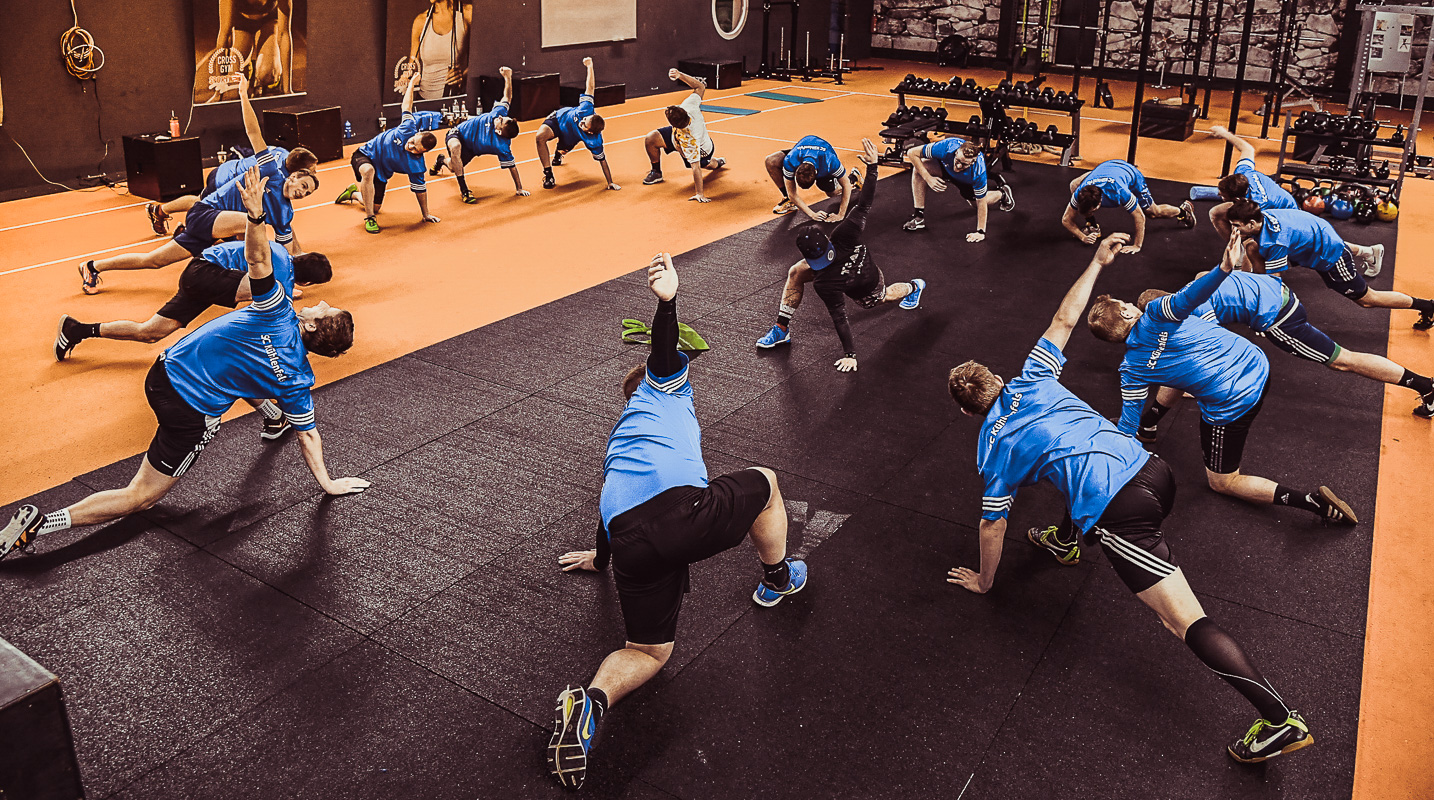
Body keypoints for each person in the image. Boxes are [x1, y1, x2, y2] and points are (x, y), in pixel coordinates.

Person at [947, 232, 1315, 765]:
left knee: (1182, 620)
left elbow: (991, 526)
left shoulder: (992, 450)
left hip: (1122, 509)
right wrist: (1096, 261)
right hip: (1154, 472)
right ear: (998, 378)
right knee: (1070, 474)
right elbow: (1063, 320)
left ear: (966, 413)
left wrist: (985, 581)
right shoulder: (1031, 377)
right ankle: (1066, 541)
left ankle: (1280, 720)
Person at [2, 168, 366, 563]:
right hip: (189, 413)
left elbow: (259, 257)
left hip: (161, 374)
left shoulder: (276, 307)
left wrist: (257, 217)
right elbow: (308, 437)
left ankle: (264, 410)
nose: (321, 302)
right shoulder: (298, 380)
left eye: (326, 307)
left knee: (231, 361)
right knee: (139, 498)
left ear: (312, 323)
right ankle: (43, 524)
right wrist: (327, 483)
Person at [548, 253, 806, 790]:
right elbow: (663, 354)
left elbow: (607, 511)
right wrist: (667, 302)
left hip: (630, 539)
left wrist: (601, 556)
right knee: (767, 481)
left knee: (650, 651)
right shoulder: (662, 389)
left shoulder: (622, 441)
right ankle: (779, 578)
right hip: (681, 514)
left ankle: (591, 703)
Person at [1086, 232, 1358, 524]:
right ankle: (1151, 425)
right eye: (1123, 302)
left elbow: (1127, 423)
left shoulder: (1131, 370)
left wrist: (1110, 473)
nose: (1128, 302)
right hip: (1257, 365)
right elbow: (1192, 295)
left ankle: (1312, 502)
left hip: (1235, 401)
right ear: (1127, 313)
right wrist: (1224, 269)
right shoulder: (1156, 312)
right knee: (1178, 371)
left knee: (1223, 482)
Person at [80, 75, 316, 294]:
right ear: (293, 176)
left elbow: (285, 255)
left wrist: (293, 275)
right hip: (207, 212)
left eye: (307, 193)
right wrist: (243, 94)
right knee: (255, 226)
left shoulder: (285, 214)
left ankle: (93, 266)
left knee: (153, 260)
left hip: (214, 226)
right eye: (304, 185)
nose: (303, 193)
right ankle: (247, 275)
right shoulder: (271, 172)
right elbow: (253, 132)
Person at [1137, 268, 1434, 419]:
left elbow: (1206, 354)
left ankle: (1425, 385)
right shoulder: (1198, 281)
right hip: (1280, 291)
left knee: (1344, 360)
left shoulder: (1191, 313)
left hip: (1278, 317)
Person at [754, 139, 926, 373]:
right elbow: (864, 204)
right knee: (795, 272)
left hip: (865, 280)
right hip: (838, 273)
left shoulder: (837, 254)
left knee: (883, 298)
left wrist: (851, 355)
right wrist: (873, 166)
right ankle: (781, 329)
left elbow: (840, 317)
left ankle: (913, 287)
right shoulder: (838, 245)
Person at [1204, 127, 1387, 279]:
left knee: (1317, 245)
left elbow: (1255, 238)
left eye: (1223, 195)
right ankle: (1236, 253)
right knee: (1216, 213)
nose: (1219, 196)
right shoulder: (1243, 175)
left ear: (1237, 199)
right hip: (1269, 204)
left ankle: (1368, 252)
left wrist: (1240, 275)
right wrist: (1225, 133)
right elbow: (1248, 149)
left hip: (1286, 212)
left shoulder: (1258, 205)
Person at [1226, 201, 1431, 328]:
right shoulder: (1265, 215)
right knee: (1253, 248)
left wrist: (1267, 313)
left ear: (1252, 224)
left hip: (1330, 255)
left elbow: (1275, 283)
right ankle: (1368, 251)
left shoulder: (1275, 241)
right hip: (1314, 238)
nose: (1234, 230)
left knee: (1367, 299)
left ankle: (1427, 305)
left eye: (1237, 226)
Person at [334, 73, 440, 233]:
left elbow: (420, 189)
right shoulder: (408, 127)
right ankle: (370, 219)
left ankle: (354, 194)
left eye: (414, 149)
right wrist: (411, 84)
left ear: (422, 152)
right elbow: (407, 105)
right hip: (365, 155)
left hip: (382, 173)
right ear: (416, 133)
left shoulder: (416, 166)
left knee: (374, 206)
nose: (409, 146)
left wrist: (426, 214)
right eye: (412, 142)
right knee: (368, 171)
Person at [145, 146, 318, 236]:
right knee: (207, 208)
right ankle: (179, 225)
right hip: (226, 181)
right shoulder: (277, 176)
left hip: (225, 170)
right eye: (311, 170)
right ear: (298, 171)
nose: (314, 173)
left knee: (205, 204)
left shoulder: (284, 153)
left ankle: (162, 212)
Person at [430, 65, 526, 203]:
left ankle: (441, 160)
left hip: (471, 149)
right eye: (503, 117)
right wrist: (508, 77)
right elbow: (507, 97)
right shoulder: (499, 113)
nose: (499, 117)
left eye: (501, 121)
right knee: (456, 147)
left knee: (453, 167)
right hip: (458, 134)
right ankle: (465, 190)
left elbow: (512, 167)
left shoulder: (502, 146)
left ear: (499, 131)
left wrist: (519, 188)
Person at [1062, 158, 1196, 253]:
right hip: (1105, 168)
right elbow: (1066, 220)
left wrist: (1137, 245)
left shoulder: (1119, 192)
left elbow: (1140, 216)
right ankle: (1093, 226)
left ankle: (1183, 211)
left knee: (1153, 212)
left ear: (1099, 204)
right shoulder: (1080, 192)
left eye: (1090, 211)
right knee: (1074, 184)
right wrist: (1083, 237)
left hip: (1130, 174)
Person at [902, 137, 1015, 239]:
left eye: (964, 164)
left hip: (965, 180)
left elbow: (981, 203)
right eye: (958, 161)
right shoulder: (946, 147)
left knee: (975, 204)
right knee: (919, 169)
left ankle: (1002, 193)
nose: (959, 166)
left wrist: (980, 232)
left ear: (972, 162)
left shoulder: (978, 172)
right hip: (945, 168)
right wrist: (928, 178)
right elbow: (912, 153)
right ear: (956, 152)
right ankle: (919, 217)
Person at [641, 68, 726, 202]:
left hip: (703, 149)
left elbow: (696, 168)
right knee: (651, 138)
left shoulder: (690, 140)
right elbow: (700, 86)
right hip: (676, 138)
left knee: (705, 164)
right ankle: (656, 172)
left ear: (674, 124)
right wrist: (680, 75)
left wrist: (700, 193)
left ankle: (716, 162)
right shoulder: (688, 106)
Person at [535, 57, 619, 191]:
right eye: (584, 119)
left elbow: (603, 161)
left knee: (562, 149)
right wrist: (590, 66)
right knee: (540, 137)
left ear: (590, 132)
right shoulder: (586, 108)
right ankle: (548, 174)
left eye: (585, 125)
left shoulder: (594, 141)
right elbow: (590, 87)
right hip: (558, 119)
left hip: (571, 137)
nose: (582, 122)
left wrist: (610, 182)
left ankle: (559, 154)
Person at [195, 0, 294, 103]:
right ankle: (249, 67)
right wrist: (218, 92)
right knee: (233, 91)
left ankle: (260, 79)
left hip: (268, 24)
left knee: (268, 75)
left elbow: (284, 34)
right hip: (242, 26)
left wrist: (287, 90)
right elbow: (225, 35)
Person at [764, 134, 861, 220]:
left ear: (816, 173)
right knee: (771, 161)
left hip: (822, 154)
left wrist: (841, 215)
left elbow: (846, 186)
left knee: (833, 193)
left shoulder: (830, 161)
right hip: (802, 152)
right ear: (797, 169)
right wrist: (812, 214)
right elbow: (792, 193)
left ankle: (854, 178)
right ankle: (790, 202)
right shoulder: (791, 161)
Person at [403, 0, 471, 101]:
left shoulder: (467, 13)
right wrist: (405, 77)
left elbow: (484, 60)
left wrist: (464, 75)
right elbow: (412, 65)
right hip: (423, 101)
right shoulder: (421, 21)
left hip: (455, 101)